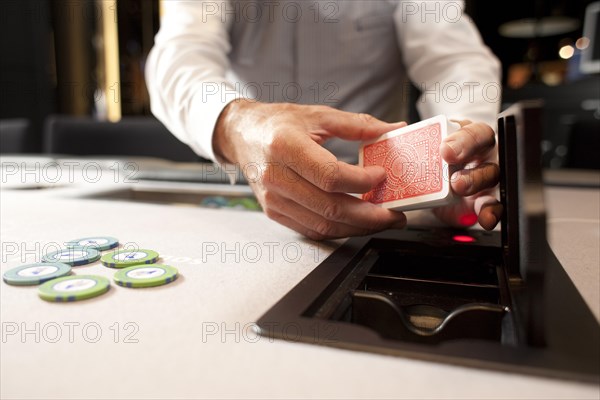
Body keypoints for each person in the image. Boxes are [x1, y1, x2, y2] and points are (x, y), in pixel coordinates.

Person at [146, 0, 503, 240]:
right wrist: (234, 124)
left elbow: (456, 64)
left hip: (387, 203)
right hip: (253, 188)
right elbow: (178, 58)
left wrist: (458, 156)